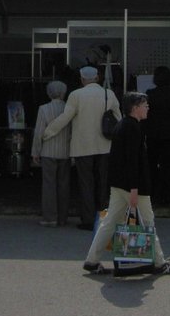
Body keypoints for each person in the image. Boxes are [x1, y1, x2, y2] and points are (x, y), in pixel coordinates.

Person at [83, 92, 170, 275]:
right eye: (144, 105)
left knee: (109, 222)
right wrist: (134, 189)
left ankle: (91, 260)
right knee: (148, 221)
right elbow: (132, 161)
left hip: (119, 184)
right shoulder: (133, 128)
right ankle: (160, 263)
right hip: (134, 186)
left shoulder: (122, 125)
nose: (147, 108)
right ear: (135, 108)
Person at [43, 65, 121, 230]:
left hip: (83, 147)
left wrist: (49, 132)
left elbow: (66, 117)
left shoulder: (76, 95)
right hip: (105, 146)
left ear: (82, 79)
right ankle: (103, 218)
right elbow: (118, 118)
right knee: (103, 182)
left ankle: (88, 219)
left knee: (86, 183)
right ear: (97, 78)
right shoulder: (109, 93)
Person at [31, 81, 71, 227]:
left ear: (49, 93)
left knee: (49, 185)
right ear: (64, 92)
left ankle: (50, 217)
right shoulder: (69, 108)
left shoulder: (43, 109)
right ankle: (63, 217)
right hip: (65, 152)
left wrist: (35, 151)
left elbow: (39, 132)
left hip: (48, 151)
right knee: (64, 185)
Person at [145, 66, 170, 203]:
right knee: (167, 164)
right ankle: (165, 194)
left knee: (152, 163)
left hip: (153, 133)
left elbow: (145, 115)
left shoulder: (149, 94)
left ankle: (153, 192)